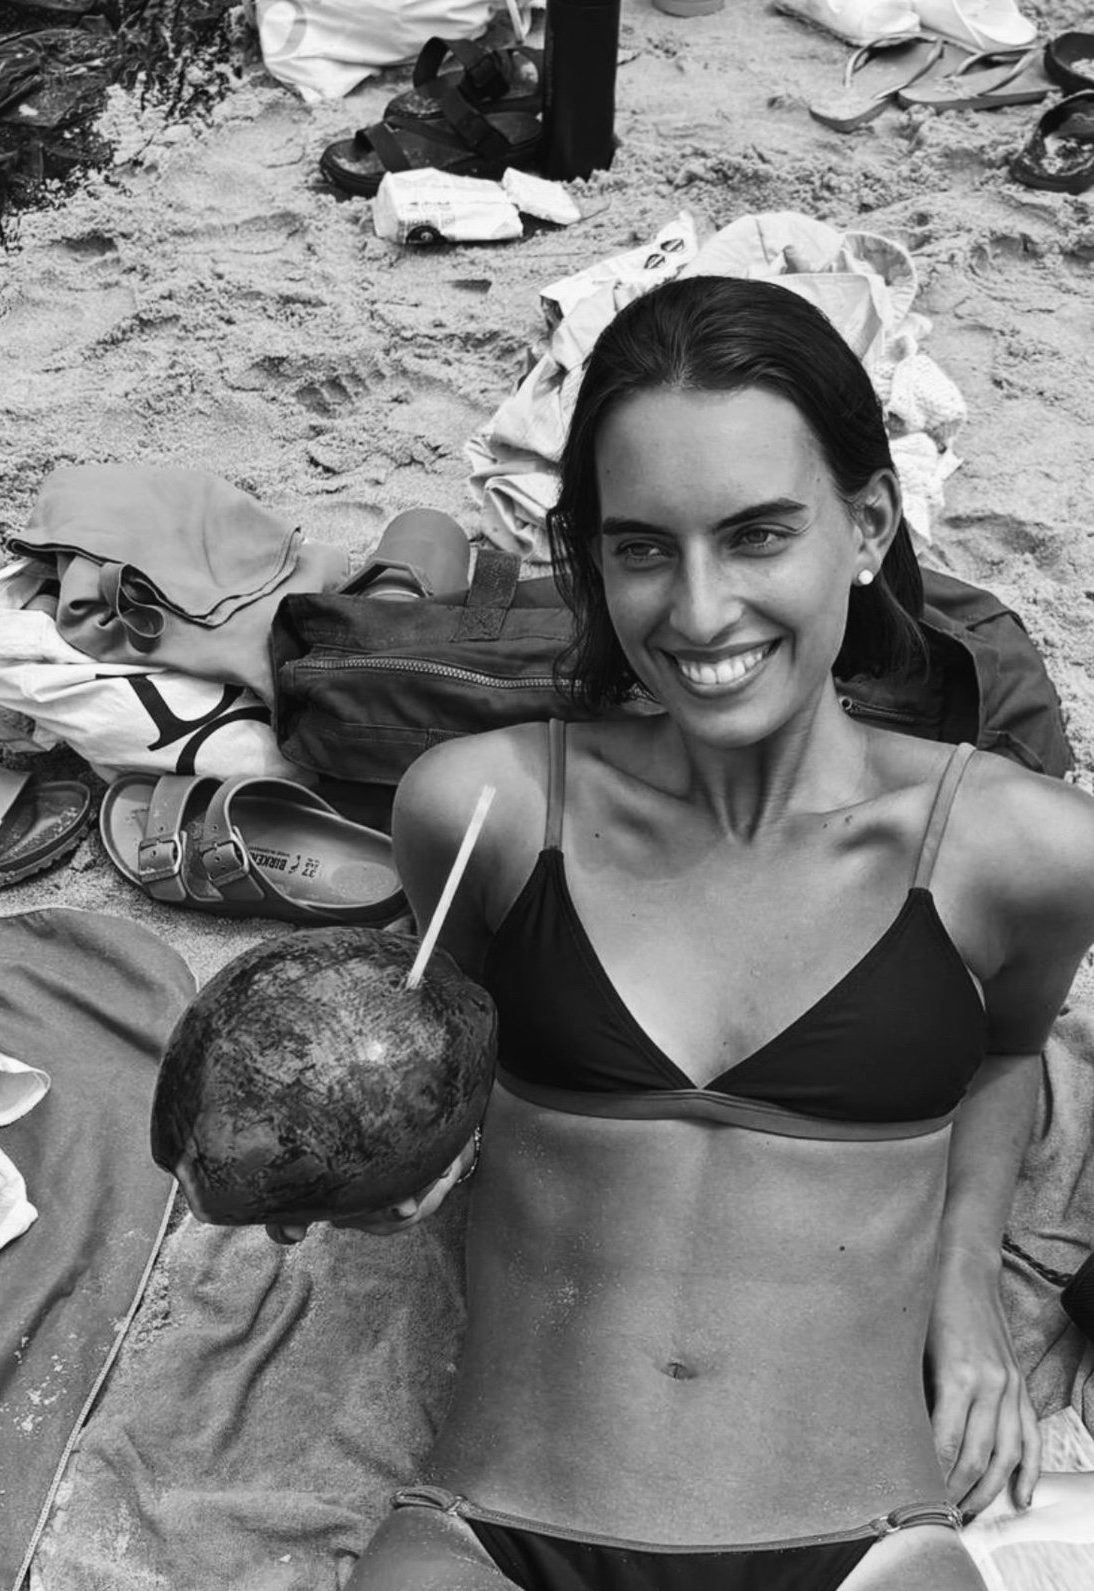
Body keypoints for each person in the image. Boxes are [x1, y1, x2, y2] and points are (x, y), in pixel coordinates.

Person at [273, 275, 1094, 1590]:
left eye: (760, 535)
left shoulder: (1021, 852)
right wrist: (382, 1165)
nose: (700, 613)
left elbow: (1004, 1056)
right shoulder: (483, 812)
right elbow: (444, 1057)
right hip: (493, 1527)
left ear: (870, 525)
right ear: (593, 555)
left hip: (858, 1542)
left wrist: (967, 1298)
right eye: (644, 546)